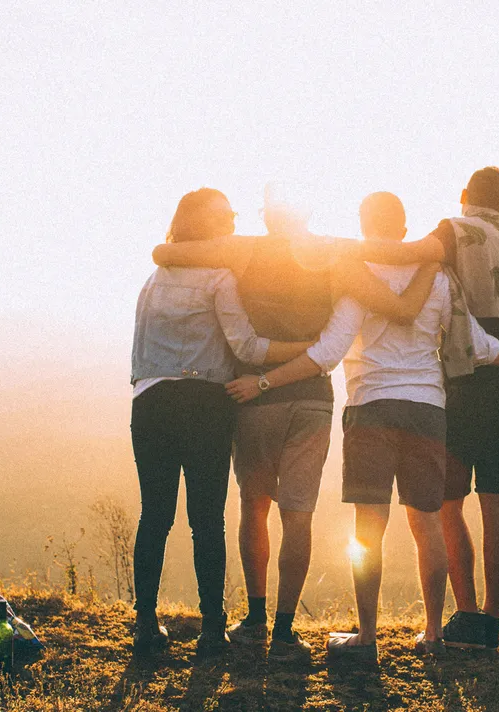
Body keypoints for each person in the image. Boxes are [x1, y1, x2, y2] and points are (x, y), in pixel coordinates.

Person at [225, 192, 499, 663]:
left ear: (363, 225)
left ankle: (368, 637)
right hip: (427, 411)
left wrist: (264, 381)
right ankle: (434, 634)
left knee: (368, 529)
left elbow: (329, 352)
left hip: (370, 408)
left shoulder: (357, 275)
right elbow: (478, 345)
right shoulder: (438, 277)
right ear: (404, 230)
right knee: (428, 526)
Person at [152, 188, 439, 661]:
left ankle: (256, 618)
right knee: (298, 513)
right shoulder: (334, 252)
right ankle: (285, 632)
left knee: (254, 504)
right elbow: (395, 279)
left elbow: (166, 252)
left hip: (255, 395)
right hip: (313, 397)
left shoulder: (243, 248)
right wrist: (430, 254)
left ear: (267, 216)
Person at [349, 167, 499, 650]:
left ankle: (464, 613)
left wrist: (336, 252)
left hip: (467, 380)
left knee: (448, 503)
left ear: (464, 197)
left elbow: (407, 255)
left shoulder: (454, 230)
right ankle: (490, 622)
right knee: (497, 497)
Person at [130, 188, 314, 658]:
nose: (233, 221)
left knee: (155, 515)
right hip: (204, 405)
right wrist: (306, 350)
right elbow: (248, 348)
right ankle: (212, 630)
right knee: (206, 520)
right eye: (226, 216)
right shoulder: (219, 277)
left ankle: (146, 625)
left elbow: (139, 354)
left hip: (150, 402)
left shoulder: (153, 279)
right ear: (207, 226)